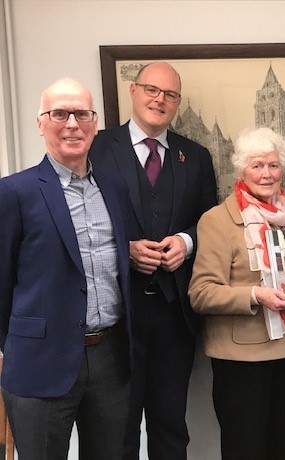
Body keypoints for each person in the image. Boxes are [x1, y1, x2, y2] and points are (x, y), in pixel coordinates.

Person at [89, 61, 217, 460]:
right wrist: (124, 247)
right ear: (133, 91)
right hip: (117, 316)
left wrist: (186, 241)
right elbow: (80, 218)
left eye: (170, 95)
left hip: (174, 314)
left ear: (178, 103)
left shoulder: (195, 156)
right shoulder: (95, 147)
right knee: (118, 430)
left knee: (170, 427)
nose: (160, 100)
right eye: (151, 90)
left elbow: (209, 221)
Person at [0, 78, 132, 459]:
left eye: (82, 114)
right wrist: (17, 343)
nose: (72, 123)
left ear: (95, 123)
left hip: (109, 357)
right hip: (40, 362)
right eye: (60, 113)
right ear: (40, 123)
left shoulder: (114, 187)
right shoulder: (13, 193)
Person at [188, 127, 285, 460]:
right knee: (246, 449)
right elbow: (201, 293)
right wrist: (256, 294)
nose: (267, 174)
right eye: (257, 165)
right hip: (240, 358)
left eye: (273, 165)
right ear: (241, 170)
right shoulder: (217, 221)